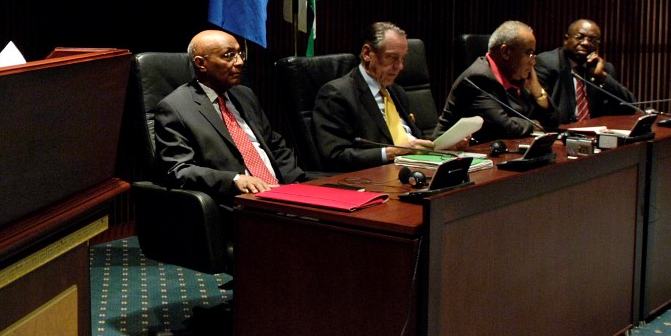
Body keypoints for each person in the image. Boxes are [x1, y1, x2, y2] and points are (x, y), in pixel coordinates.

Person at [154, 29, 309, 207]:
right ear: (201, 63)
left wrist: (297, 184)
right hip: (236, 203)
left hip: (283, 194)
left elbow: (274, 145)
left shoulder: (244, 95)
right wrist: (234, 179)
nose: (240, 62)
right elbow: (179, 170)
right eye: (229, 56)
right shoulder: (175, 108)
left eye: (239, 53)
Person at [311, 22, 435, 171]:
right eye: (392, 57)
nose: (400, 66)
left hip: (418, 167)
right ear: (367, 53)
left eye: (402, 58)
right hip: (379, 176)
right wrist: (392, 152)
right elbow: (335, 155)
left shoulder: (397, 92)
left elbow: (414, 140)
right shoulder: (337, 94)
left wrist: (444, 145)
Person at [435, 20, 560, 143]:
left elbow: (553, 122)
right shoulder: (478, 78)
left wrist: (537, 91)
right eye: (529, 54)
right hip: (448, 152)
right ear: (506, 52)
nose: (533, 62)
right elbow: (504, 128)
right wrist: (533, 124)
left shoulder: (515, 77)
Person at [535, 19, 638, 123]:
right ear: (566, 39)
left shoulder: (604, 68)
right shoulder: (547, 63)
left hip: (594, 133)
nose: (586, 43)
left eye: (592, 40)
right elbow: (541, 108)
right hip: (559, 132)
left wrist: (602, 77)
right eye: (580, 37)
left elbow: (631, 107)